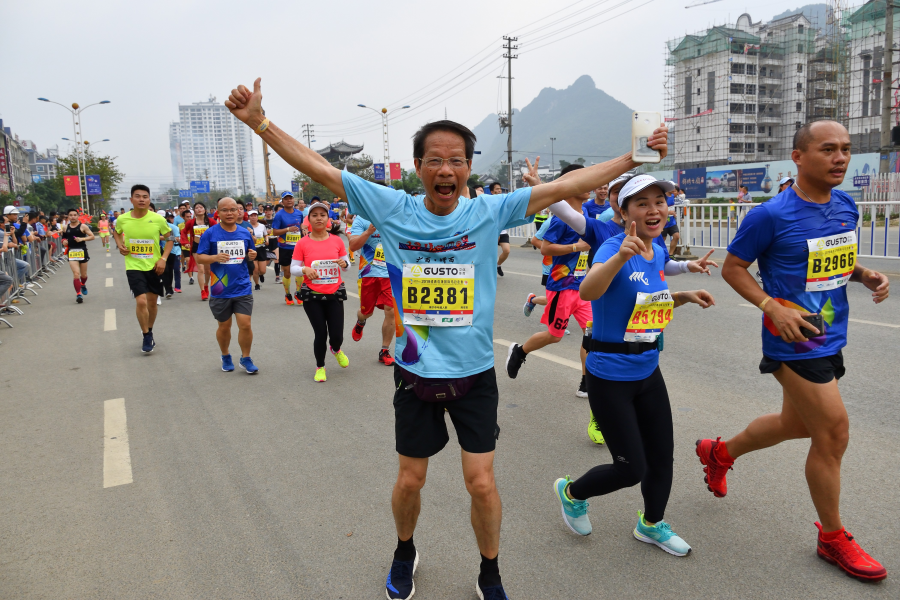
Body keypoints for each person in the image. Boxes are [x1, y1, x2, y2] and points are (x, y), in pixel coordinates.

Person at [225, 76, 667, 599]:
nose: (446, 169)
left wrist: (630, 161)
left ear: (468, 169)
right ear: (418, 169)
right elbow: (318, 168)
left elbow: (565, 187)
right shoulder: (392, 207)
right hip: (415, 375)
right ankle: (405, 551)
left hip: (475, 374)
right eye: (434, 159)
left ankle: (490, 569)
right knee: (411, 480)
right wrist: (260, 123)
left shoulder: (489, 211)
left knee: (481, 482)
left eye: (457, 160)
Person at [697, 120, 890, 582]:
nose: (840, 157)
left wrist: (863, 275)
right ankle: (832, 537)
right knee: (833, 433)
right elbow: (734, 267)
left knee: (795, 424)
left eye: (845, 149)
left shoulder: (845, 204)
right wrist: (769, 306)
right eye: (828, 149)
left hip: (832, 331)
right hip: (795, 338)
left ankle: (720, 453)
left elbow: (831, 255)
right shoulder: (769, 214)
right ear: (799, 157)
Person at [551, 175, 714, 559]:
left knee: (662, 457)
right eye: (642, 203)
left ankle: (652, 524)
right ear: (623, 212)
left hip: (647, 370)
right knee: (630, 468)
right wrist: (621, 256)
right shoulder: (611, 247)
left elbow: (646, 305)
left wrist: (684, 296)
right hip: (609, 376)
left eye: (660, 200)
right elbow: (589, 290)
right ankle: (572, 493)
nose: (654, 209)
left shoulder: (655, 251)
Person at [529, 170, 719, 445]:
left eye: (658, 200)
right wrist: (541, 187)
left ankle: (610, 406)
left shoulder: (654, 234)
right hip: (601, 303)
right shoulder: (604, 229)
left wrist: (688, 267)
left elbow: (663, 264)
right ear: (623, 205)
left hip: (644, 332)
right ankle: (597, 402)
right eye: (621, 192)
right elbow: (569, 216)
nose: (612, 192)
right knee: (594, 345)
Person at [506, 163, 594, 399]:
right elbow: (545, 247)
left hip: (582, 286)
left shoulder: (587, 216)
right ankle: (519, 351)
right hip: (562, 286)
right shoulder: (560, 220)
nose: (591, 186)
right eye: (585, 181)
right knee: (554, 336)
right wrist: (576, 246)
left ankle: (587, 381)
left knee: (592, 334)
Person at [194, 197, 259, 374]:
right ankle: (225, 355)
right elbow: (199, 257)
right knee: (224, 326)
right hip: (220, 287)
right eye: (225, 210)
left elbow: (250, 253)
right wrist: (215, 257)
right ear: (218, 212)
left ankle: (246, 358)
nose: (229, 213)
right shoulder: (210, 234)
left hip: (242, 286)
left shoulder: (245, 233)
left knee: (245, 324)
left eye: (233, 209)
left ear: (239, 212)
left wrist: (252, 255)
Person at [290, 200, 350, 381]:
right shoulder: (302, 243)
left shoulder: (337, 241)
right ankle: (320, 367)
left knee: (337, 335)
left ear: (328, 219)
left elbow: (346, 266)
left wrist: (344, 263)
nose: (319, 218)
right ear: (309, 219)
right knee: (320, 333)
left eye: (322, 215)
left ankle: (336, 349)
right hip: (312, 295)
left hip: (334, 293)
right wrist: (304, 270)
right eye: (314, 215)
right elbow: (293, 267)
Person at [112, 185, 173, 353]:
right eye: (137, 196)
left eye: (145, 196)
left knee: (152, 303)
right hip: (133, 265)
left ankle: (150, 329)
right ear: (131, 199)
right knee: (141, 300)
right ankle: (146, 335)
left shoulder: (158, 219)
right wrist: (120, 245)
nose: (141, 199)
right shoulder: (123, 219)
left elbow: (171, 239)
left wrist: (163, 259)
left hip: (154, 265)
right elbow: (116, 232)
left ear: (149, 200)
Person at [349, 214, 396, 366]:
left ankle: (384, 350)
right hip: (369, 272)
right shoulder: (362, 219)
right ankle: (361, 321)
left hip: (391, 273)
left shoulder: (395, 217)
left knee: (391, 311)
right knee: (366, 312)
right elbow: (353, 245)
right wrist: (368, 232)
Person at [272, 191, 304, 305]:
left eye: (291, 198)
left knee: (300, 271)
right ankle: (288, 294)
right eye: (286, 199)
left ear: (293, 200)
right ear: (282, 201)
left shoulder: (299, 214)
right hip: (285, 247)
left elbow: (302, 227)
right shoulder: (279, 215)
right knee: (287, 272)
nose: (289, 200)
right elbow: (274, 231)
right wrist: (287, 230)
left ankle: (298, 292)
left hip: (298, 247)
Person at [60, 208, 95, 303]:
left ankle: (83, 284)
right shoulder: (65, 227)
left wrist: (82, 239)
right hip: (71, 252)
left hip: (82, 251)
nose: (73, 217)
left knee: (83, 275)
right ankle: (78, 294)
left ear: (78, 216)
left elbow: (92, 236)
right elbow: (63, 238)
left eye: (75, 215)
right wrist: (64, 241)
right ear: (68, 216)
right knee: (76, 274)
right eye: (71, 215)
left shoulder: (83, 226)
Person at [184, 202, 217, 300]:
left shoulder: (211, 221)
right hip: (196, 247)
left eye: (201, 207)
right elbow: (184, 232)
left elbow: (217, 231)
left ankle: (206, 285)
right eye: (196, 208)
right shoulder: (191, 222)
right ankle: (202, 291)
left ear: (205, 210)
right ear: (194, 211)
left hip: (208, 247)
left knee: (208, 270)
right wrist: (185, 242)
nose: (199, 209)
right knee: (201, 269)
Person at [490, 182, 511, 276]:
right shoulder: (489, 203)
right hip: (492, 232)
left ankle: (498, 265)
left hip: (502, 231)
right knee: (491, 254)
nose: (499, 191)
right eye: (497, 189)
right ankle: (488, 269)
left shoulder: (504, 201)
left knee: (506, 251)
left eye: (500, 189)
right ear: (492, 191)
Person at [161, 211, 182, 297]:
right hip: (157, 251)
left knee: (171, 271)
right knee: (163, 271)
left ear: (166, 218)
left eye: (162, 217)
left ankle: (170, 288)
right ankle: (166, 290)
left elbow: (177, 239)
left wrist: (159, 237)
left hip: (172, 251)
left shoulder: (173, 227)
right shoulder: (152, 227)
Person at [248, 210, 268, 290]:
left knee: (262, 270)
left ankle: (261, 275)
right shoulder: (247, 226)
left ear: (257, 217)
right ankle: (257, 284)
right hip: (252, 250)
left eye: (255, 216)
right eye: (251, 216)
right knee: (255, 269)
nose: (253, 217)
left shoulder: (262, 226)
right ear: (249, 218)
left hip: (261, 249)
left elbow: (265, 235)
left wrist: (267, 240)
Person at [662, 185, 681, 256]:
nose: (673, 189)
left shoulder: (672, 196)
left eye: (674, 188)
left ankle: (671, 254)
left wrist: (673, 213)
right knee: (662, 240)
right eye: (671, 188)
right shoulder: (663, 197)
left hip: (672, 221)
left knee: (676, 236)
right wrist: (667, 212)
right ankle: (662, 255)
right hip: (664, 222)